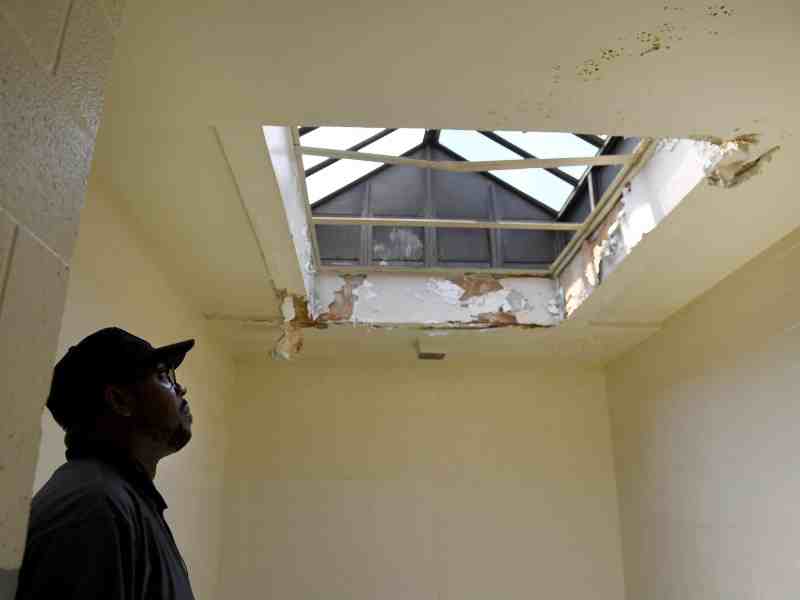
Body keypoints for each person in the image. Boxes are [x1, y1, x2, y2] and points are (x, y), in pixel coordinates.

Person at [15, 327, 197, 599]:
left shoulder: (119, 499)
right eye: (163, 376)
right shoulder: (94, 507)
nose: (180, 388)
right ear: (119, 400)